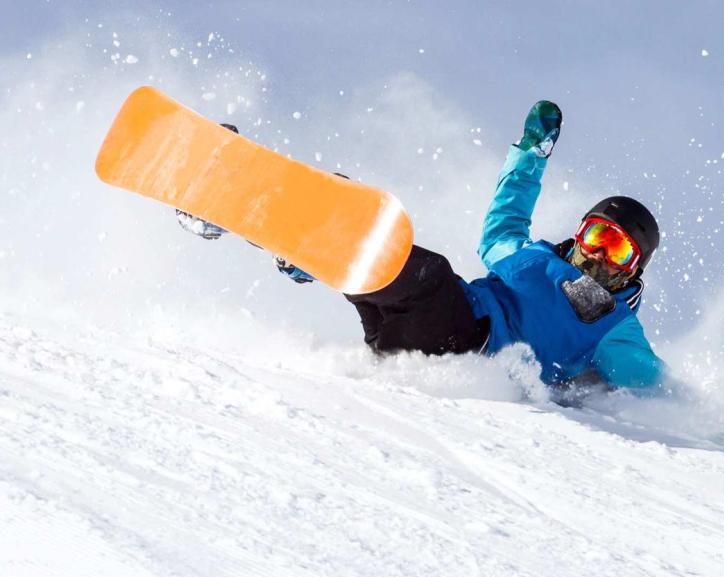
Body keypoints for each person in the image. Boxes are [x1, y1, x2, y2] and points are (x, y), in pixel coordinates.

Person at [178, 103, 666, 392]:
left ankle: (321, 249)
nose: (601, 254)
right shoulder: (532, 258)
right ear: (580, 233)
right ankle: (243, 217)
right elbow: (503, 225)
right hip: (419, 331)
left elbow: (660, 391)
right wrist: (528, 157)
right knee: (369, 240)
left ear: (633, 269)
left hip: (467, 343)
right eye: (598, 236)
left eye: (618, 249)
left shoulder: (615, 324)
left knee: (419, 266)